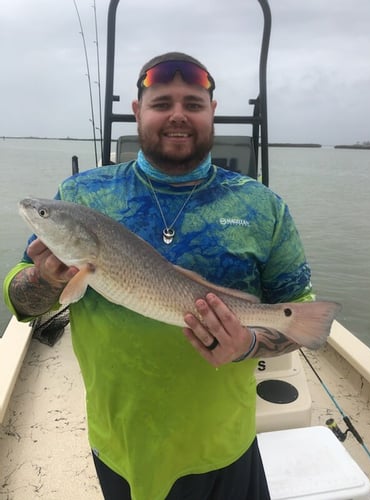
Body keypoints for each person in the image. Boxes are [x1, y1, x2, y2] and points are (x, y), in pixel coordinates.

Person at [3, 52, 315, 500]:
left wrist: (247, 344)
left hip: (223, 443)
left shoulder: (263, 207)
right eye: (161, 102)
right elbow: (19, 300)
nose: (177, 115)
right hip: (121, 442)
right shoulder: (82, 194)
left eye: (193, 103)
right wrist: (46, 279)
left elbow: (301, 314)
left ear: (212, 113)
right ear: (137, 112)